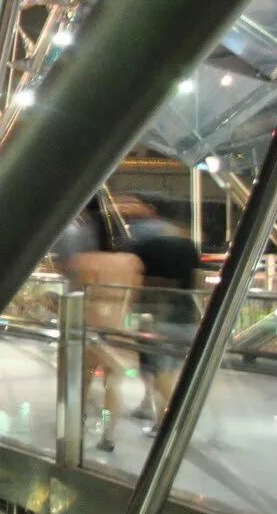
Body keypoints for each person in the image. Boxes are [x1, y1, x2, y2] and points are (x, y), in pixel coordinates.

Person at [61, 200, 143, 452]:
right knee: (113, 383)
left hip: (88, 324)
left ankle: (78, 422)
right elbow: (136, 294)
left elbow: (73, 292)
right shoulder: (132, 262)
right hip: (120, 326)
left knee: (82, 379)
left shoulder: (82, 261)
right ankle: (108, 434)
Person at [119, 194, 199, 431]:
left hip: (155, 315)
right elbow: (195, 277)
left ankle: (170, 419)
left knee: (157, 367)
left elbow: (133, 278)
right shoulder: (187, 245)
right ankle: (152, 407)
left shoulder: (139, 245)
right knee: (170, 367)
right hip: (186, 314)